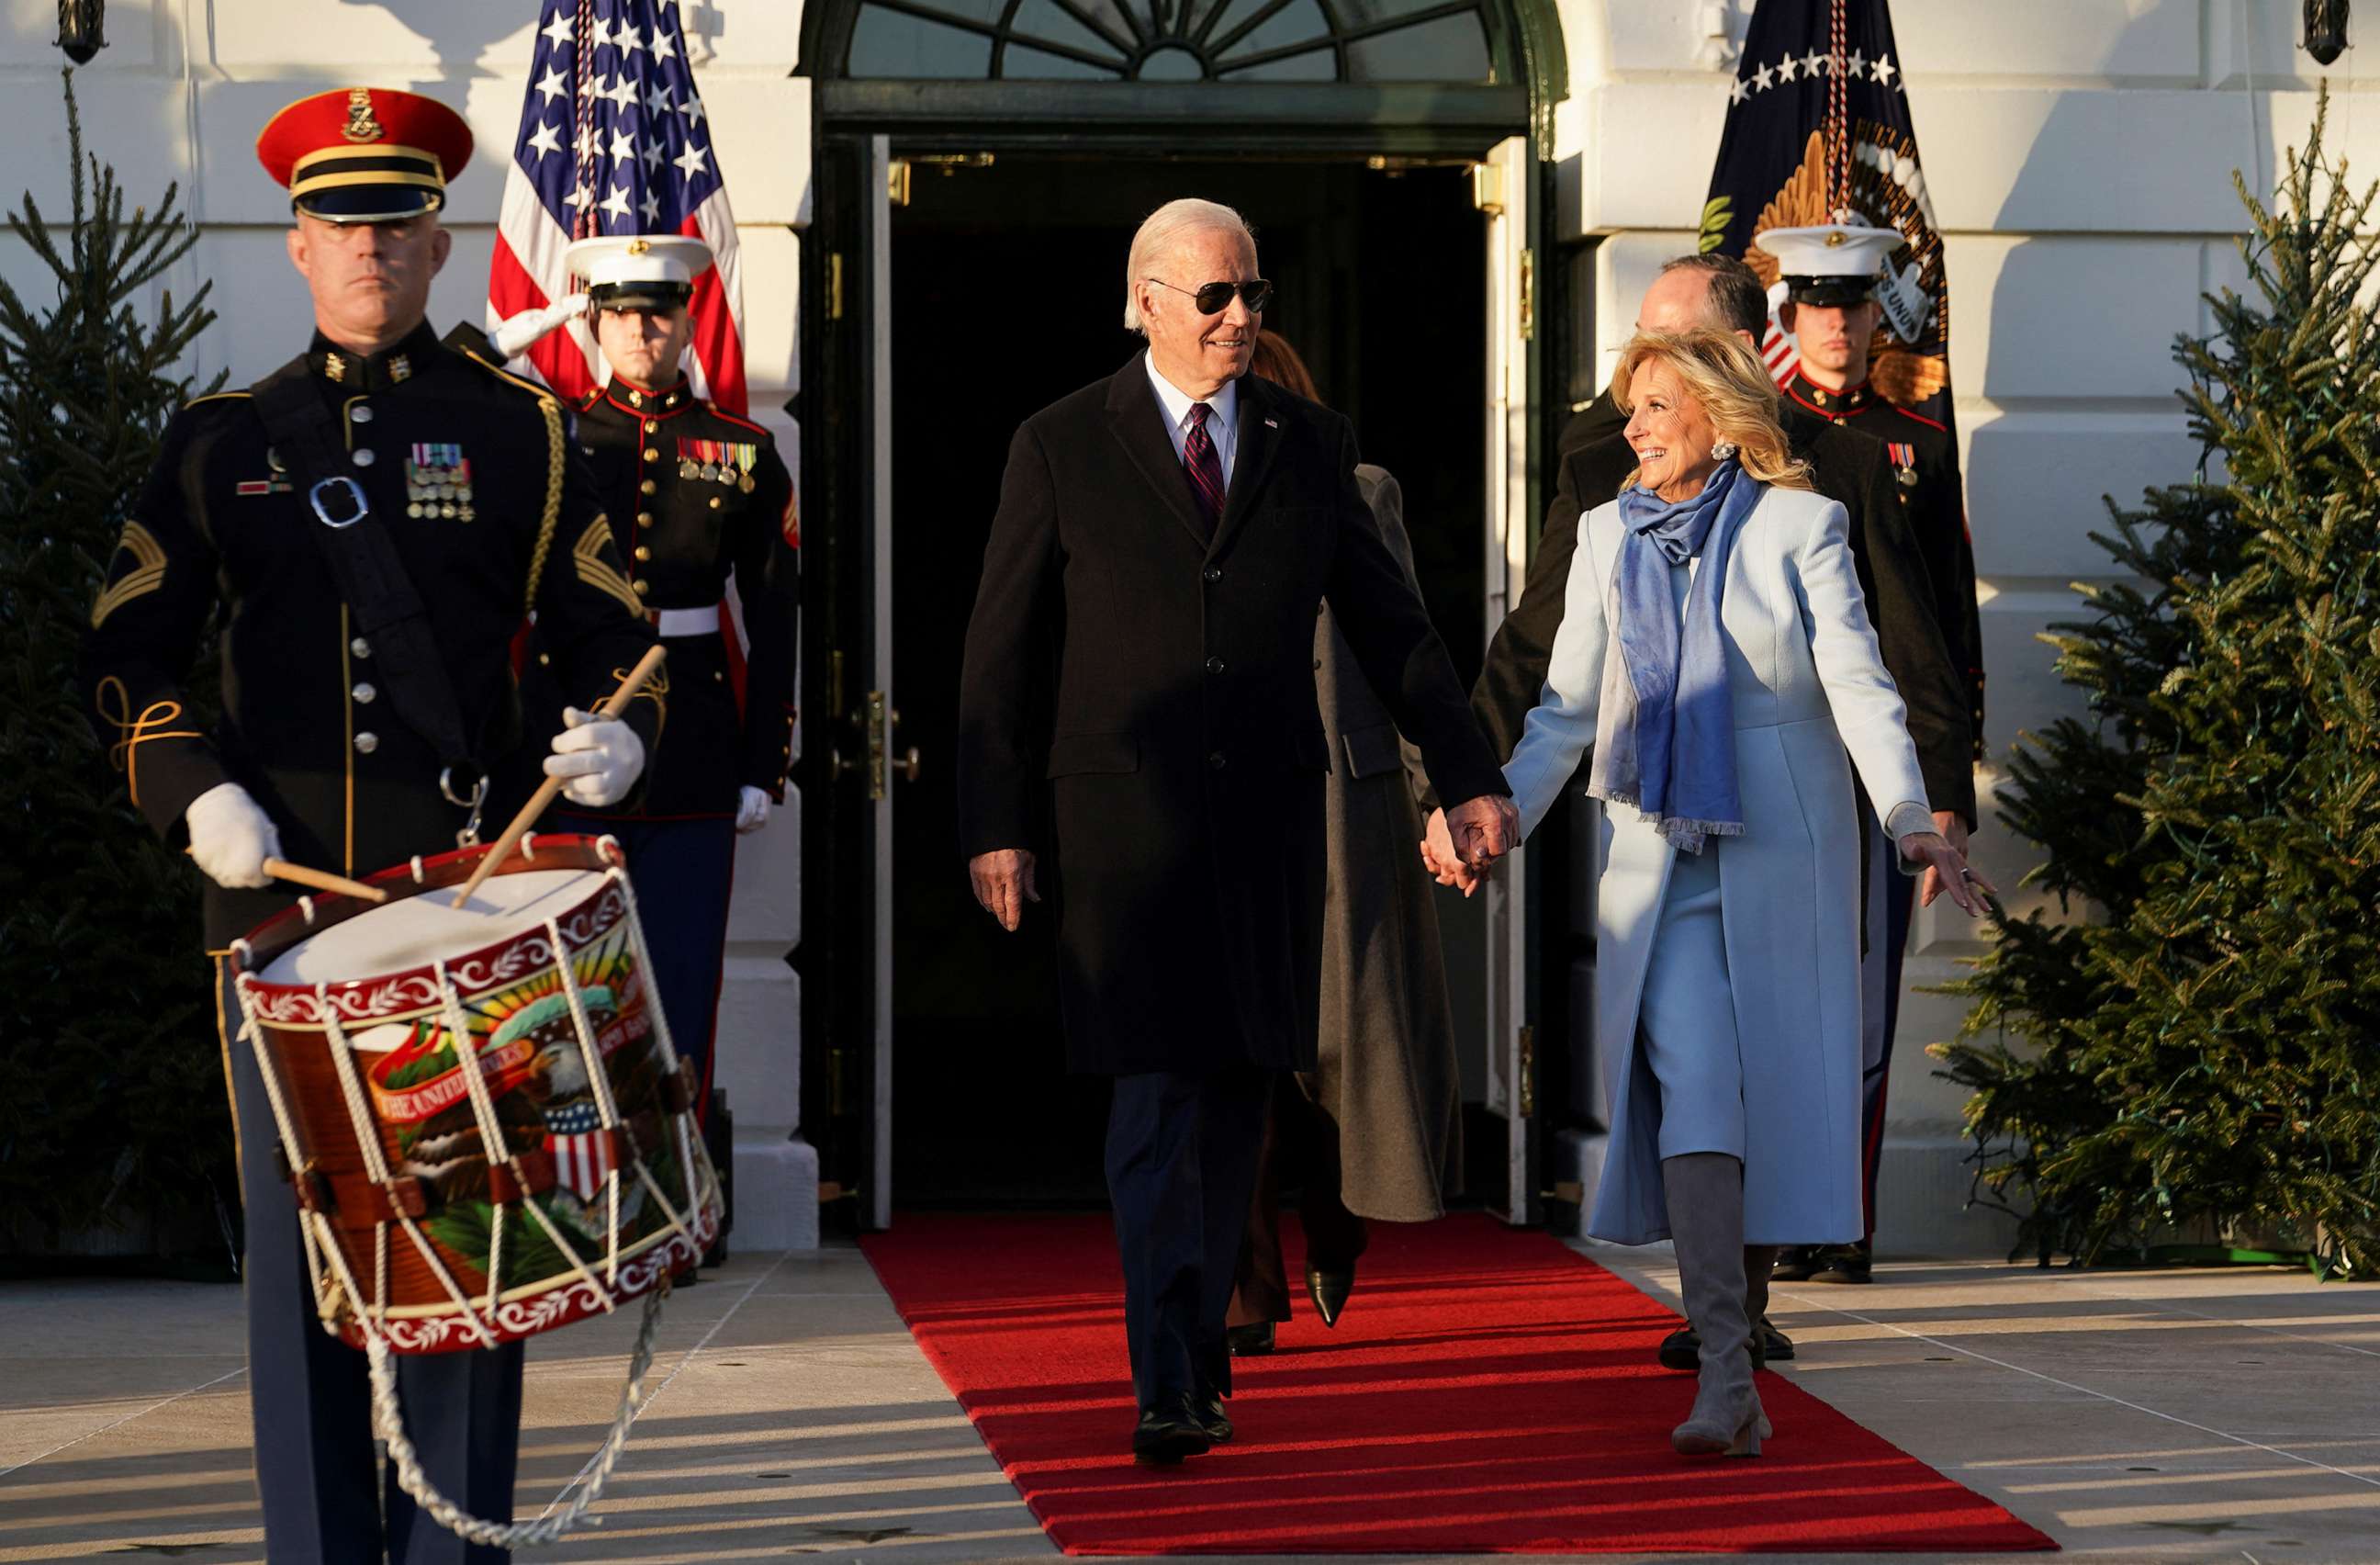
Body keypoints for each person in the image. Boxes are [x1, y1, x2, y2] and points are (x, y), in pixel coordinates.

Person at [81, 87, 661, 1561]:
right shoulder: (218, 442)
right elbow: (125, 649)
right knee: (301, 1259)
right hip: (275, 913)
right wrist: (183, 784)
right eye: (341, 224)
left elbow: (614, 630)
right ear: (296, 244)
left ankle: (451, 1546)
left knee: (470, 1248)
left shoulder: (522, 430)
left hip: (464, 902)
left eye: (396, 223)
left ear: (440, 240)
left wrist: (620, 732)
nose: (369, 250)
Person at [956, 197, 1515, 1466]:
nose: (1239, 317)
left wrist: (1467, 775)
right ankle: (1167, 1380)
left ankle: (1201, 1359)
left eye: (1253, 293)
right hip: (1124, 835)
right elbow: (1001, 655)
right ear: (1144, 298)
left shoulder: (1308, 444)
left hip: (1271, 826)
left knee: (1232, 1107)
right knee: (1156, 1103)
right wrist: (994, 820)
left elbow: (1396, 635)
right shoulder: (1060, 444)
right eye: (1213, 296)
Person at [1436, 326, 1992, 1459]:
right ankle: (1725, 1371)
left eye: (1654, 408)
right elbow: (1564, 713)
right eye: (1633, 408)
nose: (1632, 428)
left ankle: (1740, 1349)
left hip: (1788, 845)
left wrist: (1907, 817)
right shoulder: (1602, 536)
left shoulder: (1804, 522)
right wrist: (1497, 814)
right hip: (1659, 853)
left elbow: (1857, 677)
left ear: (1719, 415)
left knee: (1775, 1095)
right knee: (1694, 1085)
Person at [530, 233, 800, 1154]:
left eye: (659, 312)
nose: (640, 329)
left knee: (681, 982)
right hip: (572, 734)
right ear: (595, 322)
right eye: (620, 312)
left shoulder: (744, 452)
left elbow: (776, 619)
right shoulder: (554, 437)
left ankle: (676, 1188)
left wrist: (765, 761)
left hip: (693, 742)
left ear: (689, 321)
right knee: (569, 988)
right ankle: (582, 1190)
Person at [1221, 330, 1462, 1357]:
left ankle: (1335, 1219)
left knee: (1336, 1051)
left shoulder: (1360, 488)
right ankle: (1241, 1303)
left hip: (1341, 814)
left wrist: (1433, 798)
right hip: (1224, 807)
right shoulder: (1176, 497)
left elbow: (1404, 649)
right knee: (1232, 1062)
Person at [1767, 222, 1987, 1287]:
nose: (1837, 328)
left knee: (1863, 998)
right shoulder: (1758, 436)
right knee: (1777, 995)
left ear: (1874, 317)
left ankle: (1841, 1219)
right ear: (1787, 318)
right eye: (1817, 308)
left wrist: (1948, 786)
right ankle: (1783, 1212)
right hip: (1780, 753)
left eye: (1852, 309)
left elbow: (1947, 619)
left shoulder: (1918, 440)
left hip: (1883, 765)